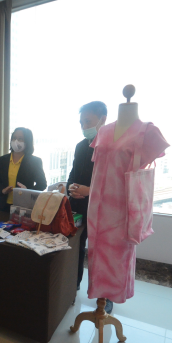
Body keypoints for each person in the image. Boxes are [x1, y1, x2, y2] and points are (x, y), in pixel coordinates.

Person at [67, 101, 108, 293]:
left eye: (88, 122)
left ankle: (105, 296)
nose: (84, 126)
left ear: (103, 120)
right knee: (76, 247)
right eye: (81, 122)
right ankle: (73, 286)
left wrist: (89, 190)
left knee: (102, 253)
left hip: (102, 209)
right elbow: (73, 174)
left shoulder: (110, 148)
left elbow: (114, 184)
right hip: (78, 207)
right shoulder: (81, 146)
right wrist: (70, 188)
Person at [0, 127, 47, 212]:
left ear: (27, 142)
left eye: (20, 139)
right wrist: (3, 190)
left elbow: (42, 184)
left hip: (24, 207)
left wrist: (27, 191)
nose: (16, 141)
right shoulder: (3, 159)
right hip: (4, 206)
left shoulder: (35, 161)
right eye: (14, 138)